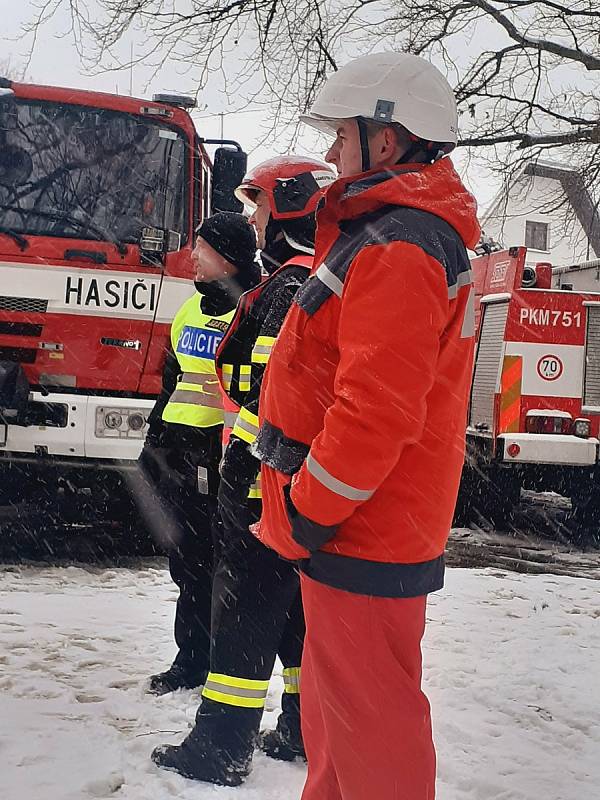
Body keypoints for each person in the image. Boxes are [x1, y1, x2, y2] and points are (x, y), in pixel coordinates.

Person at [254, 52, 481, 799]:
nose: (328, 154)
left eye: (340, 137)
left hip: (360, 527)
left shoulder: (402, 244)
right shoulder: (389, 234)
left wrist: (306, 513)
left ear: (386, 141)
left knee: (371, 728)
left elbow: (375, 414)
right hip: (361, 525)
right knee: (339, 719)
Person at [151, 155, 335, 784]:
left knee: (247, 618)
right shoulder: (300, 281)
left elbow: (272, 393)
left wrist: (251, 469)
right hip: (279, 482)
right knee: (290, 617)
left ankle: (221, 746)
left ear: (287, 208)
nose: (251, 221)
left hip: (265, 484)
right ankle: (300, 726)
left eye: (259, 206)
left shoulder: (288, 288)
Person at [138, 212, 260, 695]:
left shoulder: (248, 310)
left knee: (214, 564)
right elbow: (173, 381)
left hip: (221, 452)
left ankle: (215, 665)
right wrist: (155, 444)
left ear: (226, 257)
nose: (191, 255)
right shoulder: (192, 309)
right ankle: (190, 659)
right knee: (187, 561)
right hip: (181, 451)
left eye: (201, 249)